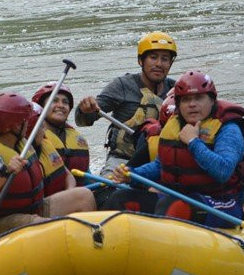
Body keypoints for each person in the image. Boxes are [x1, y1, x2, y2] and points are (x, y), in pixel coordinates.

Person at [111, 71, 244, 228]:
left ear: (212, 100)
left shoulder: (229, 128)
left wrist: (193, 141)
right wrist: (132, 175)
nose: (192, 104)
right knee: (120, 198)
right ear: (179, 104)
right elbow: (160, 166)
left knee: (173, 206)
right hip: (180, 196)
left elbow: (223, 171)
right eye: (186, 100)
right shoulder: (174, 125)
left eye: (199, 98)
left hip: (222, 203)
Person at [0, 93, 95, 237]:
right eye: (25, 120)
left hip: (32, 208)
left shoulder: (21, 141)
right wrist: (4, 174)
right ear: (13, 126)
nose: (29, 123)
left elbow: (2, 107)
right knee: (43, 224)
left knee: (84, 196)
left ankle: (89, 241)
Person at [74, 31, 178, 175]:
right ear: (141, 60)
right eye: (153, 58)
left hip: (160, 160)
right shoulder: (122, 85)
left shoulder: (176, 90)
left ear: (170, 63)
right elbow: (84, 120)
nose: (159, 64)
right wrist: (84, 110)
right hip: (122, 159)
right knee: (109, 192)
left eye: (165, 59)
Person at [0, 61, 90, 183]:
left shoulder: (72, 135)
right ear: (40, 106)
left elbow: (78, 174)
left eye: (65, 102)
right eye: (54, 101)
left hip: (77, 186)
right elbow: (2, 111)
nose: (60, 105)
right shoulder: (31, 131)